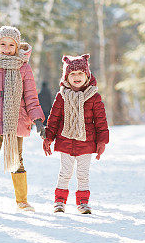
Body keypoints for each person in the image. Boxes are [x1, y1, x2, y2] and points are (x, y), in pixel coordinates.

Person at [0, 25, 45, 212]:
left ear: (17, 47)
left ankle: (22, 201)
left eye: (11, 45)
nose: (6, 48)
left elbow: (31, 96)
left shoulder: (23, 67)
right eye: (2, 44)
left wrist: (37, 120)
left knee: (17, 159)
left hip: (16, 118)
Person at [43, 54, 109, 214]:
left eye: (80, 73)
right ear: (66, 77)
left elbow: (101, 121)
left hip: (86, 142)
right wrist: (48, 137)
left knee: (83, 174)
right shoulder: (61, 96)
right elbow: (54, 118)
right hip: (65, 141)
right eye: (72, 74)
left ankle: (83, 202)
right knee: (64, 172)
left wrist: (102, 142)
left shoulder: (94, 97)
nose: (77, 76)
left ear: (87, 75)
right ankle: (59, 201)